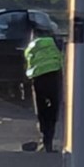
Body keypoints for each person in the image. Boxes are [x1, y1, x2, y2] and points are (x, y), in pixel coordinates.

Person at [22, 23, 63, 152]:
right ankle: (49, 139)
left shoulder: (30, 48)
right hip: (54, 77)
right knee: (53, 109)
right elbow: (61, 59)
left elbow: (29, 66)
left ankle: (45, 140)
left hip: (38, 79)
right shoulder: (54, 43)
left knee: (41, 110)